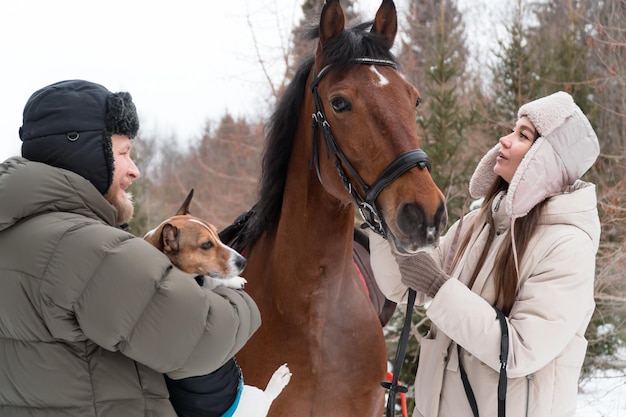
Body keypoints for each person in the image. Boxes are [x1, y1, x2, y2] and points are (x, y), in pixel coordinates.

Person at [0, 79, 261, 417]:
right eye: (122, 153)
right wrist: (232, 294)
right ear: (83, 154)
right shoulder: (89, 250)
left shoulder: (13, 232)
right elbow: (203, 338)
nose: (134, 170)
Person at [369, 91, 600, 417]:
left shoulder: (567, 246)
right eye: (512, 130)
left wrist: (439, 287)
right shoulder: (478, 224)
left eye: (523, 135)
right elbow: (403, 288)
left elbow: (520, 350)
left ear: (547, 159)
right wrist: (382, 219)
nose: (504, 140)